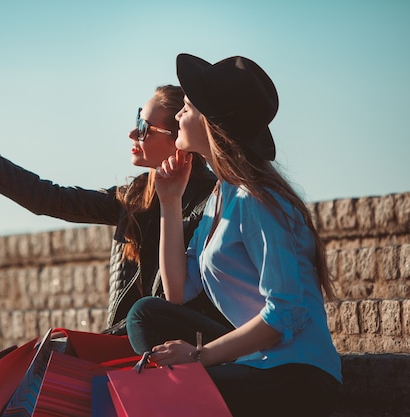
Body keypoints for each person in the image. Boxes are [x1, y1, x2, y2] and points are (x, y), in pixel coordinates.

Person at [125, 54, 342, 416]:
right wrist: (169, 203)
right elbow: (176, 292)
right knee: (145, 314)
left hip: (297, 376)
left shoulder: (258, 199)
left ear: (211, 124)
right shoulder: (219, 197)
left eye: (188, 108)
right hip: (255, 362)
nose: (179, 114)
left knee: (171, 397)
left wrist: (199, 356)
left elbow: (285, 313)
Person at [0, 85, 229, 335]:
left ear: (175, 139)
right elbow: (49, 198)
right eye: (136, 120)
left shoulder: (212, 200)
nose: (131, 134)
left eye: (143, 127)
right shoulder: (135, 196)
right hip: (128, 337)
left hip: (173, 347)